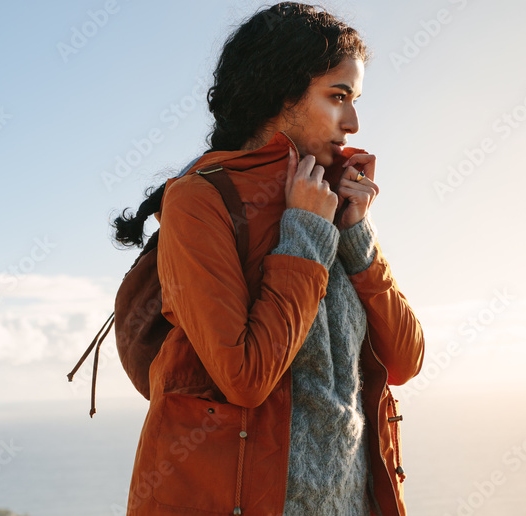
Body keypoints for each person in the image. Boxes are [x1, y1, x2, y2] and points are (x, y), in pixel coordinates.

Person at [110, 3, 425, 515]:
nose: (353, 121)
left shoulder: (332, 202)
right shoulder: (201, 200)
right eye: (338, 96)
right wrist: (303, 233)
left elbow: (405, 361)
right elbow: (246, 378)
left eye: (355, 99)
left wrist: (355, 230)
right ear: (282, 92)